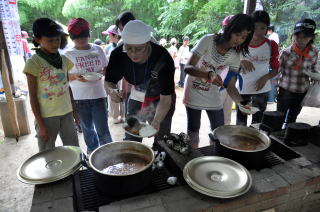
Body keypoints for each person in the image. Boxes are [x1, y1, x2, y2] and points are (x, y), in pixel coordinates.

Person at [183, 14, 254, 147]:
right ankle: (192, 156)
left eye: (244, 37)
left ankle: (215, 155)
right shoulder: (208, 40)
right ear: (230, 29)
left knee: (219, 130)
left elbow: (230, 86)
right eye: (237, 34)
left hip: (212, 93)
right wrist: (209, 74)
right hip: (193, 90)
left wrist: (242, 103)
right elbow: (187, 68)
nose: (239, 40)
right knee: (193, 129)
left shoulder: (234, 55)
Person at [105, 20, 175, 145]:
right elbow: (109, 81)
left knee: (161, 140)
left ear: (147, 43)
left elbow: (166, 99)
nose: (133, 53)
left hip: (160, 98)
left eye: (138, 49)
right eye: (129, 48)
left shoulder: (163, 58)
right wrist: (112, 92)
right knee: (132, 136)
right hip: (137, 93)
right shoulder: (118, 54)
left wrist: (157, 120)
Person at [23, 18, 79, 152]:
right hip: (46, 117)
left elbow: (67, 87)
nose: (55, 43)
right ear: (37, 40)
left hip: (66, 113)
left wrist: (75, 111)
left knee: (74, 150)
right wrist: (41, 124)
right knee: (46, 152)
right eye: (50, 40)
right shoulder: (34, 63)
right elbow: (33, 97)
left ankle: (75, 173)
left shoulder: (64, 60)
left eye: (57, 39)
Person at [64, 18, 112, 154]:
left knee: (103, 129)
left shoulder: (97, 49)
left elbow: (106, 67)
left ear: (88, 34)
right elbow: (62, 77)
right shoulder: (68, 54)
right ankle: (93, 153)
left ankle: (108, 152)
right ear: (72, 37)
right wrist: (75, 77)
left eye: (84, 36)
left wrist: (102, 73)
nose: (81, 39)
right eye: (77, 37)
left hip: (99, 95)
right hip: (80, 99)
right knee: (88, 130)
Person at [236, 10, 280, 126]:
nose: (258, 31)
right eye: (255, 27)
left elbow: (276, 69)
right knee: (240, 122)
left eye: (263, 27)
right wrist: (240, 61)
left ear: (267, 28)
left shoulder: (271, 45)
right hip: (242, 88)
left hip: (262, 90)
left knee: (257, 123)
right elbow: (228, 60)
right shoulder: (241, 42)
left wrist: (265, 77)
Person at [277, 19, 318, 127]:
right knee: (279, 116)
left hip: (302, 91)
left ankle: (287, 135)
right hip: (285, 90)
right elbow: (278, 70)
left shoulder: (314, 52)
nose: (300, 39)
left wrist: (315, 75)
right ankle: (276, 136)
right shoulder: (286, 52)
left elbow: (315, 69)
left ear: (312, 37)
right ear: (293, 35)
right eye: (298, 35)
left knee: (292, 117)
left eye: (305, 37)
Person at [102, 24, 124, 124]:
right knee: (113, 94)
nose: (108, 37)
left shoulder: (123, 45)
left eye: (110, 35)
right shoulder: (108, 47)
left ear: (115, 35)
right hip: (113, 76)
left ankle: (123, 117)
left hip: (122, 76)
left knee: (123, 94)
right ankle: (115, 116)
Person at [219, 15, 234, 125]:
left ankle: (223, 140)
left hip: (230, 84)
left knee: (227, 114)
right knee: (217, 116)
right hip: (218, 84)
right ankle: (215, 140)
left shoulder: (238, 44)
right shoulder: (217, 41)